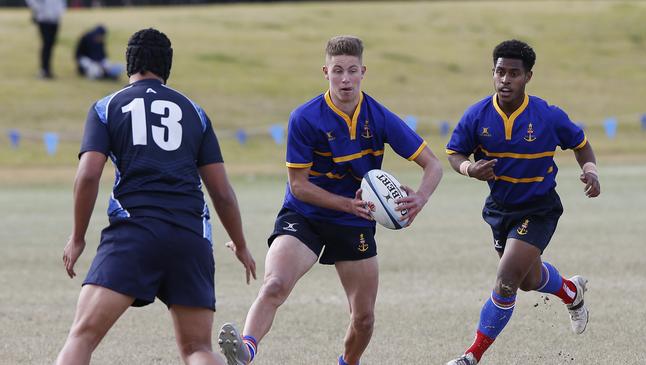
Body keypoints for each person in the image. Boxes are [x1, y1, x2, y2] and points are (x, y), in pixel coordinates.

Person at [217, 35, 444, 365]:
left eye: (352, 70)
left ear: (363, 72)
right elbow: (298, 185)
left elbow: (433, 165)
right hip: (306, 214)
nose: (345, 79)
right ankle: (246, 350)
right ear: (326, 72)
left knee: (364, 318)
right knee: (275, 284)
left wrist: (421, 197)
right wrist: (345, 203)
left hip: (354, 222)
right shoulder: (305, 117)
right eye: (338, 71)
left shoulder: (379, 117)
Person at [55, 28, 256, 365]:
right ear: (168, 66)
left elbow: (88, 174)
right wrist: (241, 243)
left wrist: (77, 237)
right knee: (197, 349)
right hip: (190, 236)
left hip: (135, 232)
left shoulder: (107, 107)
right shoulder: (195, 112)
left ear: (128, 63)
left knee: (83, 336)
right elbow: (221, 192)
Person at [445, 39, 600, 365]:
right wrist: (469, 168)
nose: (505, 80)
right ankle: (572, 292)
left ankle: (471, 356)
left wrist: (590, 170)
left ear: (528, 76)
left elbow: (581, 144)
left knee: (506, 278)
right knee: (528, 280)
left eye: (513, 73)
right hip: (500, 210)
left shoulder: (547, 115)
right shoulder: (477, 115)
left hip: (540, 208)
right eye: (500, 72)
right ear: (493, 73)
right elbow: (453, 152)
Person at [25, 0, 65, 79]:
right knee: (47, 43)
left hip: (55, 19)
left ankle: (48, 69)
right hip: (44, 19)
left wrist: (59, 11)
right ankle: (44, 69)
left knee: (51, 45)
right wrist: (39, 10)